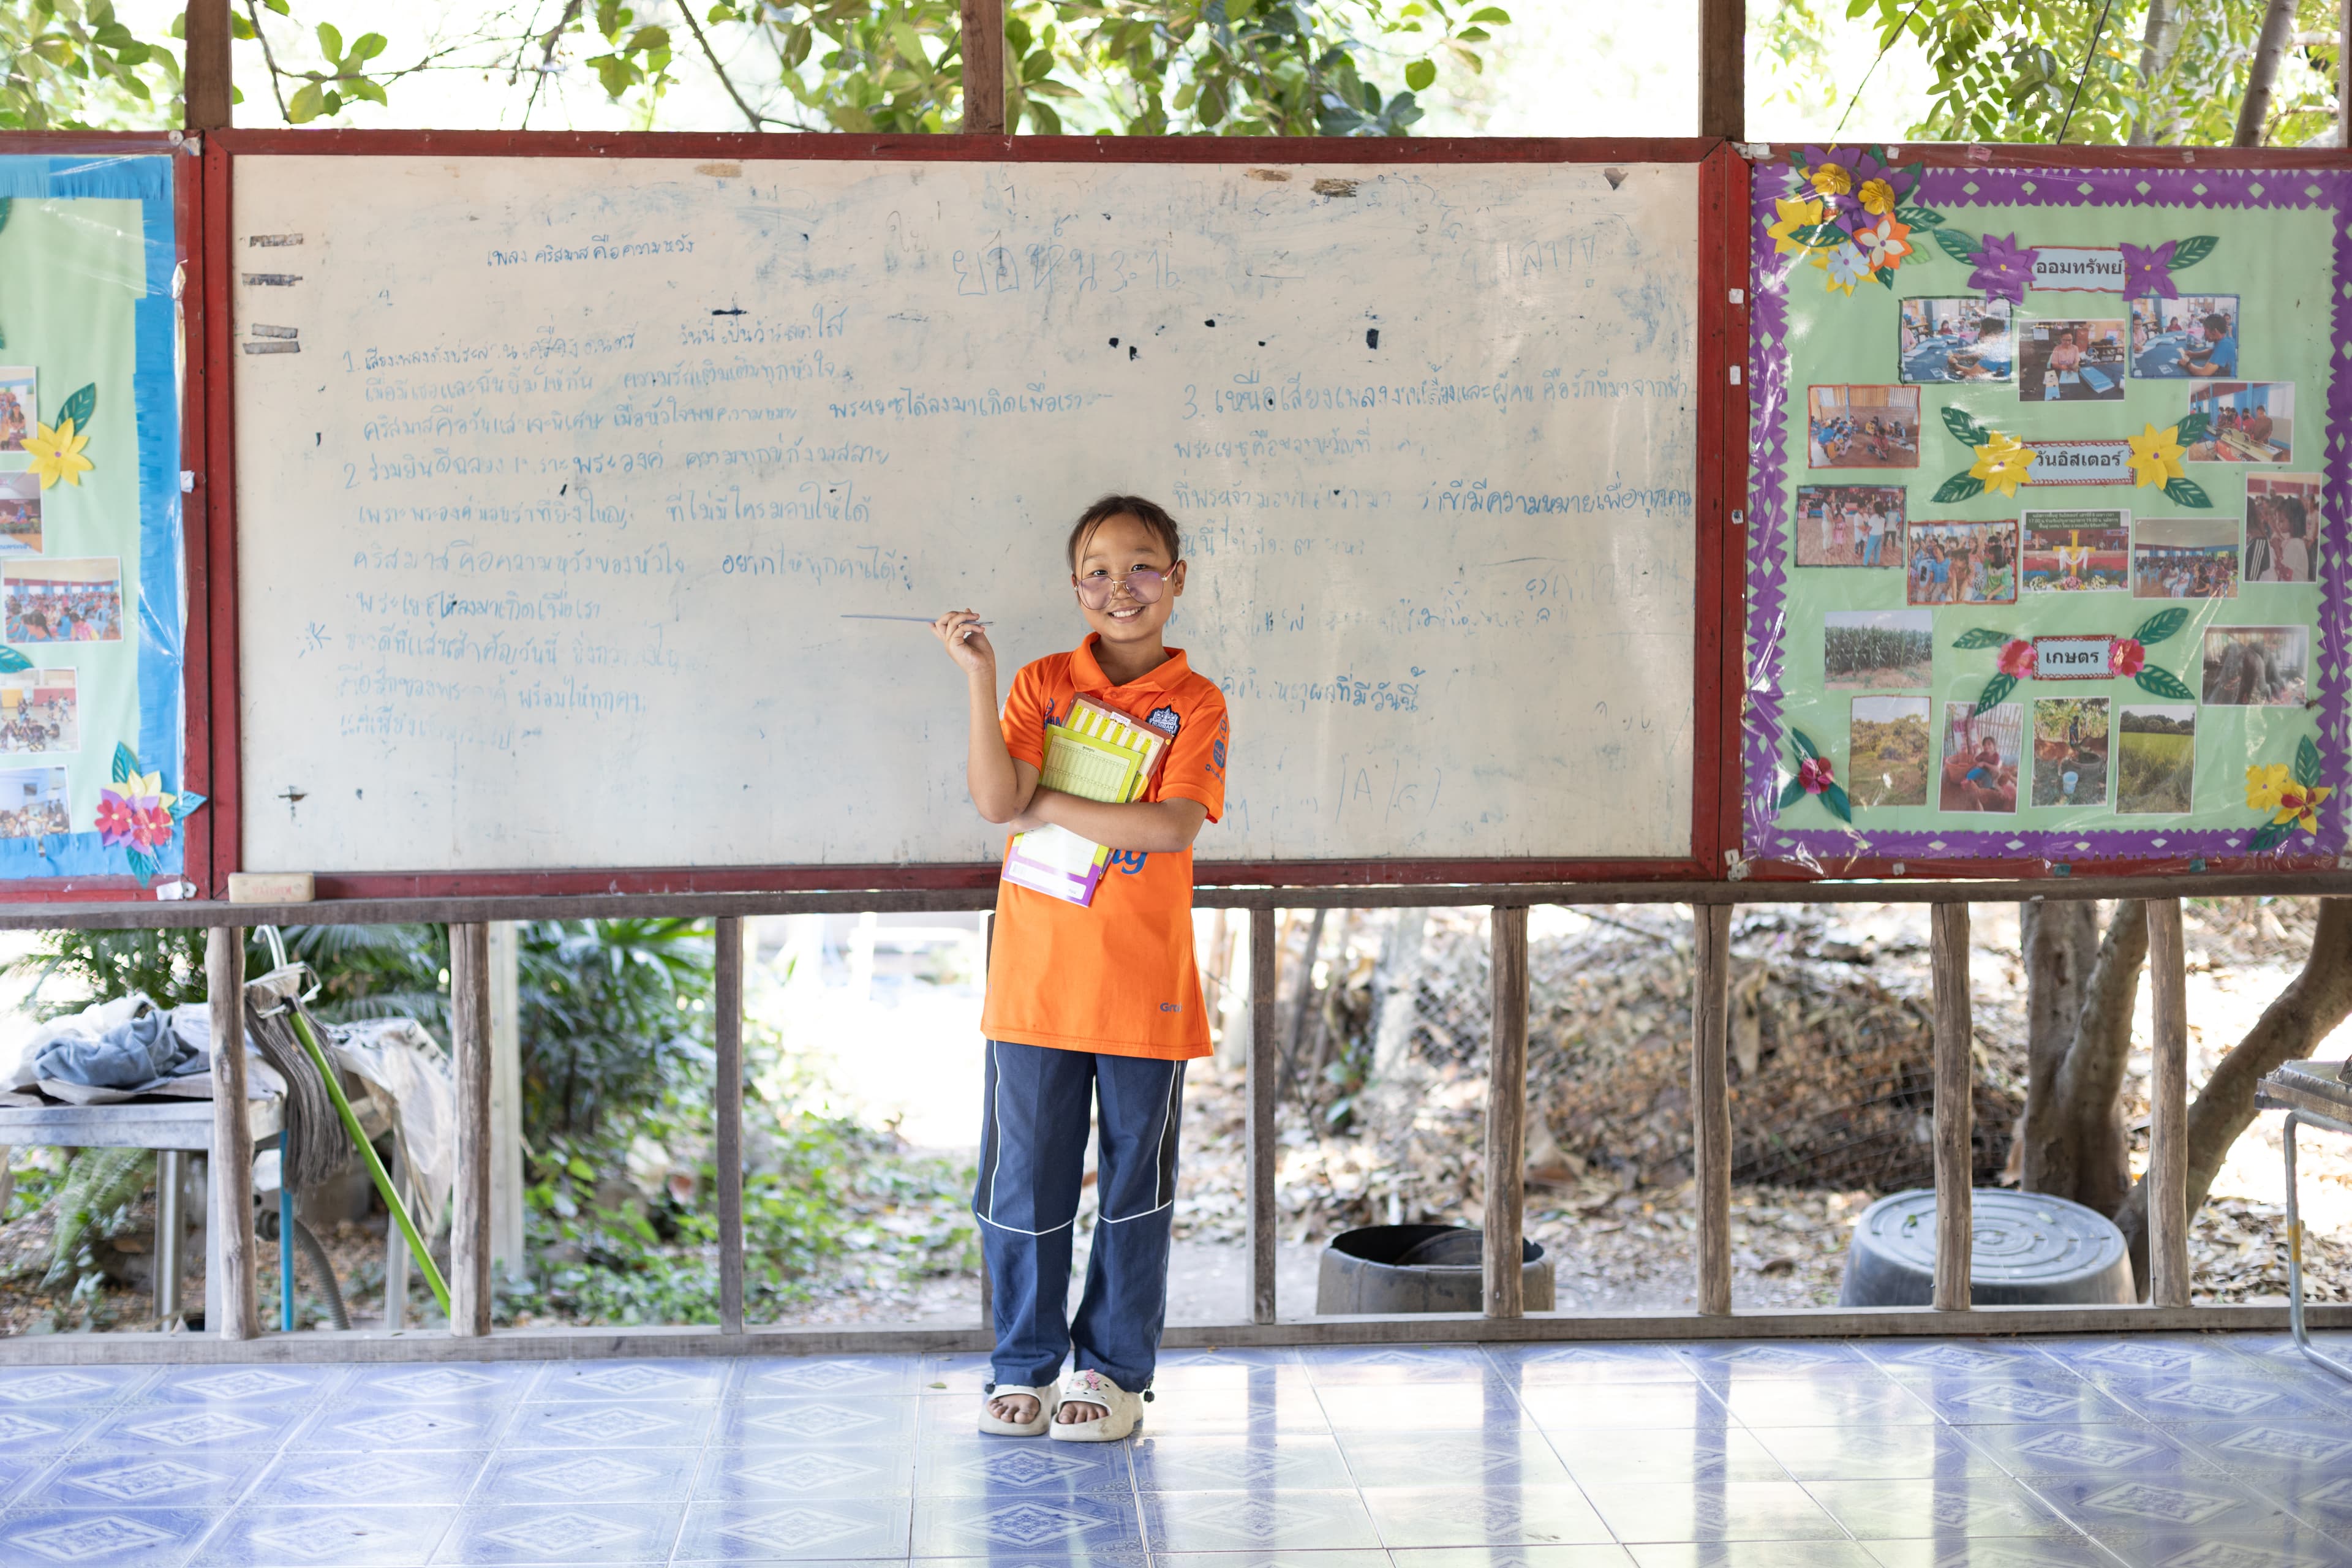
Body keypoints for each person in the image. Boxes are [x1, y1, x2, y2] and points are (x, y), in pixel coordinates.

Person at [933, 494, 1229, 1444]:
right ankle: (1022, 1365)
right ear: (1075, 587)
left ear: (1176, 579)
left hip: (1145, 987)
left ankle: (1112, 1375)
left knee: (1134, 1190)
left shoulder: (1195, 702)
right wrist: (978, 678)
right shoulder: (1037, 684)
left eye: (1142, 566)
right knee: (1023, 1187)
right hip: (1035, 982)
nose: (1120, 587)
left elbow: (1169, 828)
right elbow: (994, 801)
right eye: (1098, 570)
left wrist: (1048, 801)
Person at [2178, 312, 2236, 377]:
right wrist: (2194, 354)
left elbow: (2204, 373)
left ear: (2215, 332)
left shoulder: (2224, 346)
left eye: (2206, 331)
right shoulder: (2224, 338)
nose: (2204, 334)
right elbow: (2212, 351)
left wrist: (2187, 364)